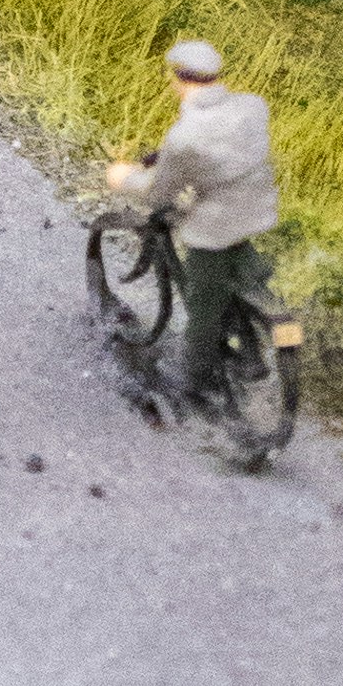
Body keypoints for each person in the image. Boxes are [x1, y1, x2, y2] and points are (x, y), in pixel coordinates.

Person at [108, 36, 278, 421]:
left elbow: (159, 190)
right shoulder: (253, 107)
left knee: (203, 308)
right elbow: (228, 155)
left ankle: (193, 378)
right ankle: (253, 320)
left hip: (217, 225)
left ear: (178, 79)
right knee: (238, 262)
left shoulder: (186, 135)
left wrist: (123, 178)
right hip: (257, 210)